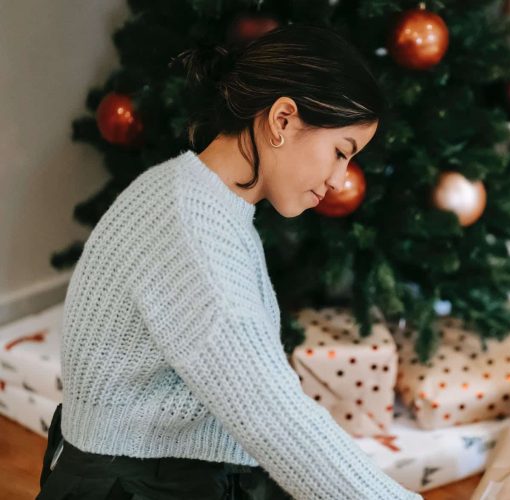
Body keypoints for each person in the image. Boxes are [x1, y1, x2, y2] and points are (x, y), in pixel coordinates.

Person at [36, 24, 423, 500]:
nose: (340, 180)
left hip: (161, 473)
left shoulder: (197, 197)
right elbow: (273, 418)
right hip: (135, 486)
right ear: (282, 120)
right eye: (341, 152)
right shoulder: (190, 228)